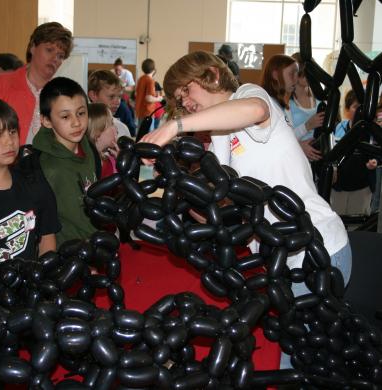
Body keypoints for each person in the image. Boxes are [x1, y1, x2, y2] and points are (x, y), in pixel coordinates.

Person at [140, 52, 351, 365]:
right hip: (281, 259)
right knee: (297, 357)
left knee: (299, 361)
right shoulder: (218, 138)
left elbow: (252, 110)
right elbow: (218, 210)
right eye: (178, 99)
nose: (184, 102)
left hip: (317, 248)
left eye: (187, 90)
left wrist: (173, 127)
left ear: (212, 75)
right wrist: (179, 184)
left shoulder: (250, 95)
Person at [33, 77, 99, 247]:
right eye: (65, 116)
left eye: (81, 113)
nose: (76, 122)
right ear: (46, 120)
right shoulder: (48, 168)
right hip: (69, 255)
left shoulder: (88, 148)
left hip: (95, 243)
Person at [0, 97, 60, 261]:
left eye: (13, 131)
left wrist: (42, 278)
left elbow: (47, 238)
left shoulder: (33, 183)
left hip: (29, 284)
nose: (9, 141)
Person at [0, 22, 73, 145]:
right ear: (33, 47)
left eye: (60, 56)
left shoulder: (63, 95)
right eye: (49, 50)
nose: (55, 59)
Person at [261, 54, 322, 162]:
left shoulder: (281, 103)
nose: (295, 79)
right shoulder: (267, 103)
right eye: (292, 74)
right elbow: (270, 142)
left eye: (297, 73)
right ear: (275, 75)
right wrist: (299, 146)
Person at [331, 89, 376, 216]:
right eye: (355, 107)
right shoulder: (338, 129)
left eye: (362, 107)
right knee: (338, 225)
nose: (359, 111)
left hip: (362, 189)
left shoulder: (371, 131)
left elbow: (377, 155)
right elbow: (331, 156)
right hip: (339, 189)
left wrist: (374, 162)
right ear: (347, 109)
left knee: (357, 229)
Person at [87, 70, 130, 139]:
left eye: (119, 96)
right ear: (93, 95)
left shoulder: (121, 129)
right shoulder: (82, 127)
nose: (117, 102)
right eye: (111, 96)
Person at [87, 103, 119, 178]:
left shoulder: (112, 161)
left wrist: (121, 165)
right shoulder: (88, 166)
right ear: (96, 132)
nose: (116, 129)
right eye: (111, 124)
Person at [135, 58, 163, 132]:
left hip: (140, 111)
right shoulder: (150, 81)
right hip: (148, 112)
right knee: (149, 134)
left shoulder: (141, 79)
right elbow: (148, 98)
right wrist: (159, 99)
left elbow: (137, 93)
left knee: (141, 133)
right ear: (153, 69)